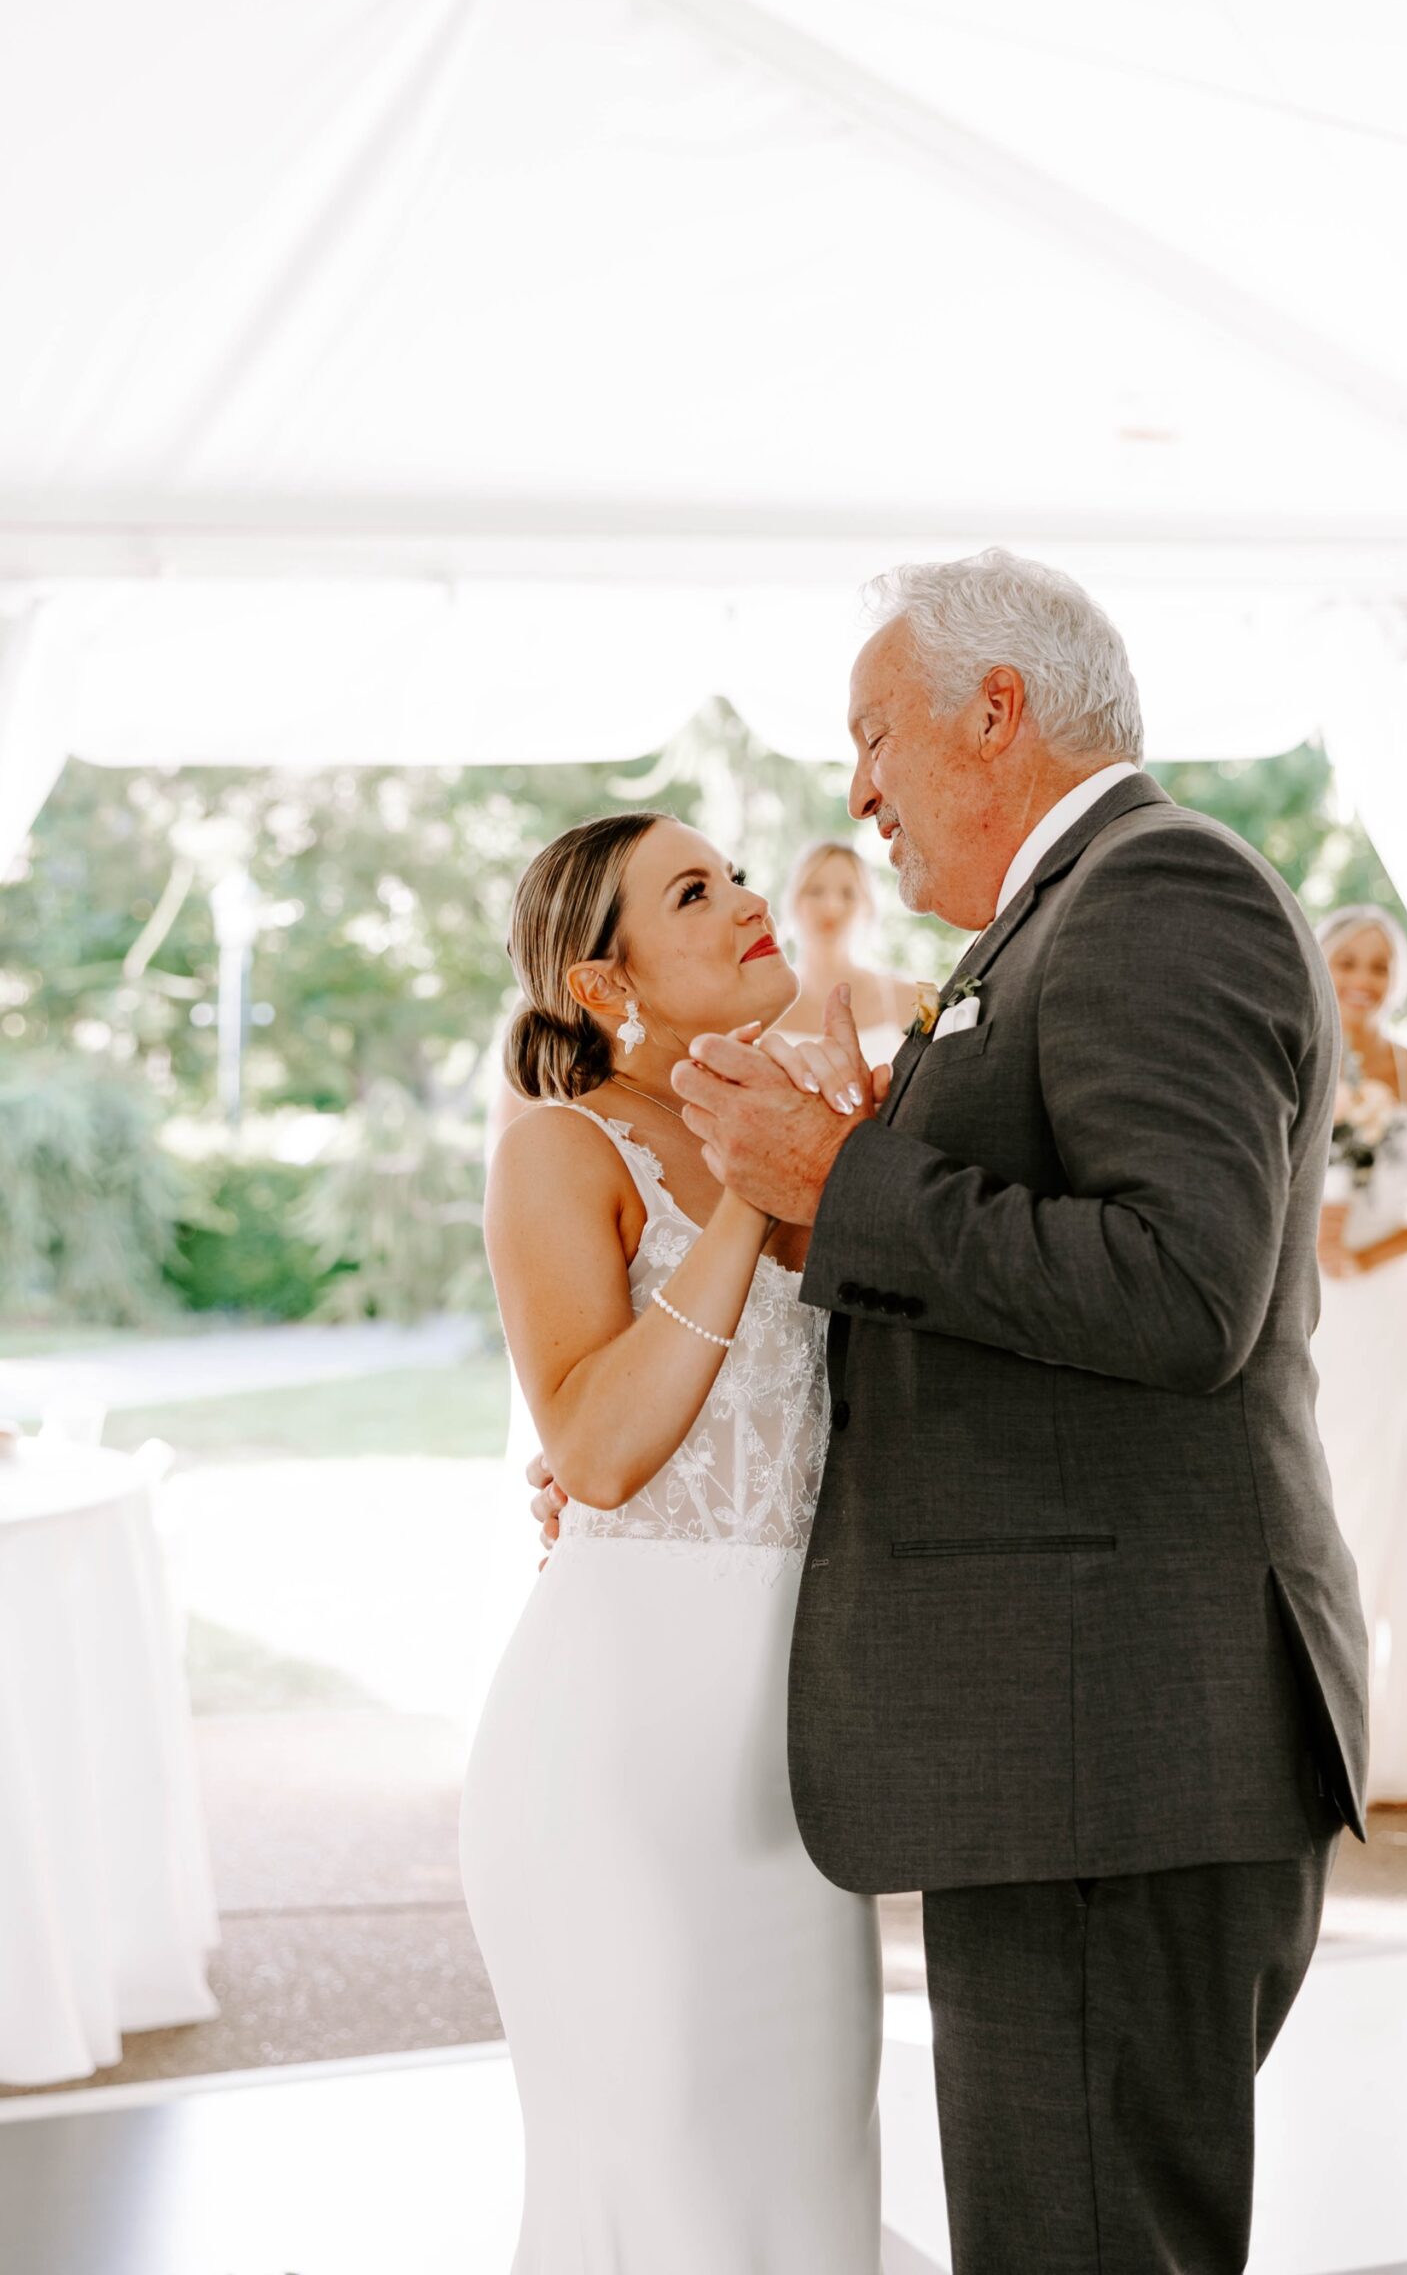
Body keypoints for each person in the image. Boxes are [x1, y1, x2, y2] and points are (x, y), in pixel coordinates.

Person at [572, 545, 1369, 2275]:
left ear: (994, 712)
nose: (853, 792)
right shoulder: (1065, 913)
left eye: (873, 736)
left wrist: (849, 1176)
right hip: (1083, 1743)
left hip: (1113, 1747)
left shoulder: (1158, 896)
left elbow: (1179, 1294)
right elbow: (981, 1293)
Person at [460, 813, 883, 2274]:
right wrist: (746, 1202)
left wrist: (829, 1167)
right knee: (666, 2191)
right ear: (603, 985)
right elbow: (596, 1453)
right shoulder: (559, 1152)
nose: (749, 901)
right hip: (617, 1776)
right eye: (693, 893)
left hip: (794, 1778)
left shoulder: (833, 1141)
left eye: (737, 875)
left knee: (803, 2189)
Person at [1313, 906, 1407, 1802]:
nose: (1363, 979)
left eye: (1378, 964)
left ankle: (1403, 1737)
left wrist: (1367, 1252)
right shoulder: (1290, 1055)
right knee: (1323, 1488)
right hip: (1311, 1305)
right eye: (1346, 961)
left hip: (1392, 1303)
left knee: (1395, 1490)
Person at [771, 837, 916, 1066]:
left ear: (868, 906)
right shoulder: (765, 1003)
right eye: (815, 891)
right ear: (793, 901)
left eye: (848, 893)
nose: (832, 906)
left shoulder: (908, 998)